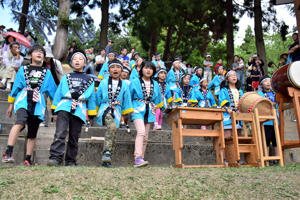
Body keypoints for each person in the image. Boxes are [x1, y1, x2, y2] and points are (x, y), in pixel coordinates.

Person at [2, 45, 57, 166]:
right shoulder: (23, 69)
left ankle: (28, 159)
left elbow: (53, 92)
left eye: (41, 52)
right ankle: (8, 151)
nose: (39, 53)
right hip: (23, 99)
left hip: (38, 103)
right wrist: (11, 105)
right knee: (20, 121)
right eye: (36, 51)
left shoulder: (47, 72)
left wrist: (55, 111)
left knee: (33, 131)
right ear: (30, 55)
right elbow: (16, 87)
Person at [47, 50, 97, 167]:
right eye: (75, 59)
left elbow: (92, 98)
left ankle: (70, 160)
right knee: (60, 133)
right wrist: (54, 110)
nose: (77, 61)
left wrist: (91, 113)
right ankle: (55, 158)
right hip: (64, 106)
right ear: (71, 63)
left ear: (85, 63)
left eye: (80, 59)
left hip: (79, 109)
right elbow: (59, 93)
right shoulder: (66, 77)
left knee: (74, 135)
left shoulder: (90, 80)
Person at [95, 59, 133, 168]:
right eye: (112, 67)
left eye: (118, 67)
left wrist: (124, 116)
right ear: (108, 70)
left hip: (117, 110)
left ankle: (107, 161)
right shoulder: (103, 82)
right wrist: (93, 112)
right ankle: (106, 152)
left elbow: (126, 100)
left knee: (114, 132)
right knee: (111, 126)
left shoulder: (125, 85)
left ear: (121, 70)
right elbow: (98, 97)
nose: (115, 69)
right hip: (104, 109)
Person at [130, 61, 163, 167]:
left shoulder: (156, 84)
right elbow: (129, 97)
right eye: (146, 67)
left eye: (151, 68)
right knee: (141, 131)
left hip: (149, 109)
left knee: (145, 136)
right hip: (137, 108)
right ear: (141, 69)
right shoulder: (135, 81)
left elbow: (158, 101)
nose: (148, 70)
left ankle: (141, 159)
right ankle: (137, 157)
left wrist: (156, 109)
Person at [219, 70, 243, 163]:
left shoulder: (240, 91)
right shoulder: (224, 90)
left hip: (239, 115)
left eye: (235, 75)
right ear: (227, 79)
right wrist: (228, 110)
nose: (234, 77)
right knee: (227, 136)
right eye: (231, 75)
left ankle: (237, 158)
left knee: (238, 136)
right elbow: (222, 101)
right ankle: (225, 158)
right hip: (228, 115)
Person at [40, 46, 64, 127]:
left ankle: (57, 119)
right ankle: (44, 120)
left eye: (48, 56)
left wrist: (61, 87)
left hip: (55, 84)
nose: (46, 58)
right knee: (42, 100)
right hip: (44, 85)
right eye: (45, 56)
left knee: (56, 102)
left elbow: (60, 75)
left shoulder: (57, 63)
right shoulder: (40, 63)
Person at [258, 76, 279, 165]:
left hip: (276, 119)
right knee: (266, 139)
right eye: (265, 81)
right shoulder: (260, 94)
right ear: (262, 84)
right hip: (265, 119)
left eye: (269, 81)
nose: (268, 82)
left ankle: (277, 159)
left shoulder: (275, 94)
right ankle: (267, 159)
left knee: (276, 139)